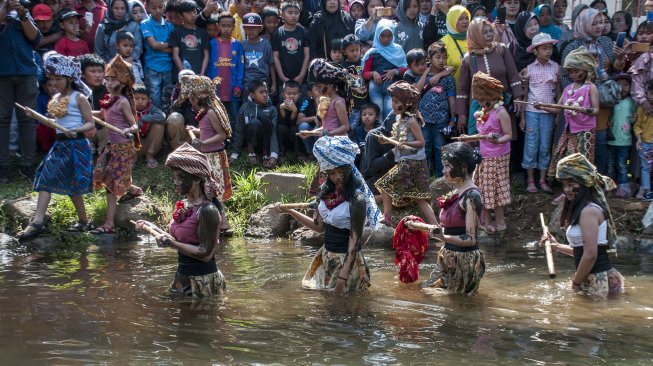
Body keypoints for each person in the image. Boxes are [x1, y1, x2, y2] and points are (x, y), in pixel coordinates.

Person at [274, 136, 381, 294]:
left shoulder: (357, 199)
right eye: (332, 173)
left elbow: (354, 245)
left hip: (347, 262)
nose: (336, 177)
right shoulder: (326, 193)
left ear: (349, 169)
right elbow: (318, 227)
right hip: (327, 256)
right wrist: (290, 211)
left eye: (340, 172)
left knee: (346, 307)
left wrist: (342, 278)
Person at [16, 52, 95, 239]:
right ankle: (38, 222)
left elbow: (90, 123)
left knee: (72, 185)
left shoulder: (79, 98)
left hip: (76, 145)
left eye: (58, 79)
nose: (54, 84)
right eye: (51, 80)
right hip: (60, 146)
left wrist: (76, 129)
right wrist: (35, 116)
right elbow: (52, 123)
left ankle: (82, 221)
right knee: (46, 179)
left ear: (68, 78)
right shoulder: (56, 99)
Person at [135, 143, 226, 298]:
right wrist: (153, 228)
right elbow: (179, 241)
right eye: (174, 177)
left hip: (202, 281)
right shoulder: (184, 205)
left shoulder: (207, 210)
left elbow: (205, 254)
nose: (176, 182)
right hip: (183, 276)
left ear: (197, 179)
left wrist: (171, 243)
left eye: (181, 178)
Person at [542, 153, 625, 296]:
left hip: (600, 280)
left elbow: (591, 255)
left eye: (571, 184)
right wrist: (556, 246)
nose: (566, 189)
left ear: (584, 183)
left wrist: (575, 284)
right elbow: (583, 252)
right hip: (594, 278)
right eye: (564, 185)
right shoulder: (586, 209)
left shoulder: (588, 211)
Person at [420, 141, 485, 295]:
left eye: (448, 166)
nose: (444, 170)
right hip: (448, 256)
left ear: (463, 167)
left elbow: (471, 239)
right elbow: (451, 229)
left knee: (443, 299)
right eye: (444, 166)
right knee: (423, 291)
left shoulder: (472, 196)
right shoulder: (457, 191)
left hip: (464, 261)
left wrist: (443, 236)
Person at [91, 55, 144, 234]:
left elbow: (134, 124)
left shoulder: (122, 102)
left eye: (112, 79)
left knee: (112, 184)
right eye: (107, 79)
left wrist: (129, 130)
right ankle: (133, 189)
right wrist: (82, 110)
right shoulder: (108, 99)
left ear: (121, 82)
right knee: (104, 174)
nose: (108, 82)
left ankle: (109, 224)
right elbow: (100, 114)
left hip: (122, 147)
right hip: (111, 146)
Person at [375, 81, 437, 226]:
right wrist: (388, 141)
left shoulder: (411, 121)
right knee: (419, 198)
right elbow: (400, 140)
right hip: (410, 162)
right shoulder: (401, 119)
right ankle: (436, 227)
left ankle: (387, 217)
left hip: (413, 163)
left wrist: (405, 144)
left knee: (385, 185)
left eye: (397, 101)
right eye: (393, 101)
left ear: (407, 103)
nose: (393, 104)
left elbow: (421, 142)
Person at [181, 75, 233, 231]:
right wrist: (195, 131)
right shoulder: (205, 112)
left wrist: (202, 143)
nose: (191, 101)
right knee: (208, 190)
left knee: (213, 191)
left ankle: (223, 222)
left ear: (200, 97)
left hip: (215, 157)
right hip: (207, 156)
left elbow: (221, 135)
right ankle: (216, 222)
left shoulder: (211, 112)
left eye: (192, 98)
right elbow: (207, 131)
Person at [455, 17, 523, 136]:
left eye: (490, 31)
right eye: (484, 32)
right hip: (480, 109)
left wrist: (518, 97)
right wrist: (461, 114)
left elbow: (513, 75)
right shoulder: (468, 58)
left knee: (503, 138)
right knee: (481, 142)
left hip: (503, 106)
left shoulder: (501, 49)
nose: (489, 35)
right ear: (475, 35)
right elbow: (462, 88)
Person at [543, 47, 599, 188]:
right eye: (570, 72)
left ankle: (581, 191)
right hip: (569, 130)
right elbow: (558, 108)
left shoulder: (590, 88)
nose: (573, 75)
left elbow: (596, 110)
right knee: (565, 158)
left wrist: (582, 109)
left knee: (582, 161)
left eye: (576, 71)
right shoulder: (568, 89)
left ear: (585, 70)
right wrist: (542, 106)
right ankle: (567, 191)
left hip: (585, 131)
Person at [0, 0, 42, 184]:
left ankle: (27, 165)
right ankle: (3, 167)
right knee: (2, 119)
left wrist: (23, 15)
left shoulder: (22, 13)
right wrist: (4, 8)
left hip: (26, 71)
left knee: (27, 119)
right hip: (2, 73)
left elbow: (36, 39)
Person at [466, 72, 512, 234]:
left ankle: (500, 221)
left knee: (496, 189)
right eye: (479, 102)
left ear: (494, 98)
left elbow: (508, 135)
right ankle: (486, 221)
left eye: (485, 102)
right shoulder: (482, 113)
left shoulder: (501, 112)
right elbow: (481, 136)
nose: (482, 105)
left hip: (499, 157)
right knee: (484, 188)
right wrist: (468, 138)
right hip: (484, 156)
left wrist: (497, 140)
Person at [521, 33, 559, 194]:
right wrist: (522, 116)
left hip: (548, 113)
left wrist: (558, 113)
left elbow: (558, 92)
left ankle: (542, 180)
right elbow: (524, 94)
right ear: (535, 51)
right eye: (544, 48)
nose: (548, 51)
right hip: (531, 112)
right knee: (531, 145)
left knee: (545, 146)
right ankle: (530, 180)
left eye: (550, 48)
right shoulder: (529, 70)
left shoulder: (556, 68)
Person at [413, 41, 455, 177]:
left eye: (444, 57)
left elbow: (452, 99)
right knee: (425, 148)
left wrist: (452, 118)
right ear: (429, 59)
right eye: (438, 57)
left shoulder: (448, 79)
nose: (442, 60)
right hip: (424, 119)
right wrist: (426, 72)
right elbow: (417, 91)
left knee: (440, 148)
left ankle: (440, 177)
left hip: (441, 120)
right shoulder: (421, 75)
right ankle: (424, 177)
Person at [361, 19, 407, 121]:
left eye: (389, 36)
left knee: (390, 115)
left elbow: (406, 68)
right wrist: (373, 74)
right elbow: (364, 73)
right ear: (377, 35)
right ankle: (377, 137)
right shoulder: (372, 52)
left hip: (392, 88)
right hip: (375, 87)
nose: (386, 39)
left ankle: (388, 136)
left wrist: (395, 71)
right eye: (383, 36)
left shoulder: (398, 50)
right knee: (377, 115)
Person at [207, 12, 244, 129]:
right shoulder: (212, 44)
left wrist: (239, 85)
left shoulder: (238, 45)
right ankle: (219, 142)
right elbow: (208, 65)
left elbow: (240, 67)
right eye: (223, 26)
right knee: (216, 117)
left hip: (233, 89)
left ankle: (234, 144)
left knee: (233, 118)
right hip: (215, 89)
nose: (226, 29)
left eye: (229, 26)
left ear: (233, 27)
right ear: (218, 26)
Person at [230, 80, 279, 167]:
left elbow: (274, 132)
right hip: (250, 141)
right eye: (261, 92)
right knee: (253, 123)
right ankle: (251, 152)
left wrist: (274, 155)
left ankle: (265, 154)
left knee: (264, 117)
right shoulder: (244, 108)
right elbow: (239, 131)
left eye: (266, 92)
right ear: (252, 95)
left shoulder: (272, 109)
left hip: (265, 142)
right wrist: (234, 154)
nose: (265, 95)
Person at [140, 0, 174, 109]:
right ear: (148, 8)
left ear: (164, 6)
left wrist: (159, 46)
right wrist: (167, 45)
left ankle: (168, 123)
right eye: (154, 8)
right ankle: (156, 123)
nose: (158, 10)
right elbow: (153, 45)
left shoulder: (169, 26)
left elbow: (173, 49)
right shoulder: (146, 23)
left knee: (168, 98)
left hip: (168, 67)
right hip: (152, 67)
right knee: (154, 98)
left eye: (160, 7)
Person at [607, 74, 635, 198]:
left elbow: (635, 120)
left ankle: (623, 187)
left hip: (625, 141)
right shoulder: (611, 101)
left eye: (626, 85)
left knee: (622, 164)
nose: (623, 88)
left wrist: (634, 119)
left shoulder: (632, 102)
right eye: (619, 84)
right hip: (611, 140)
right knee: (610, 164)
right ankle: (610, 186)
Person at [271, 2, 309, 92]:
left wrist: (301, 75)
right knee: (285, 103)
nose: (293, 16)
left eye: (296, 13)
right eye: (290, 13)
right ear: (282, 14)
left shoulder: (304, 32)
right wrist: (282, 77)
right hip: (284, 79)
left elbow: (307, 55)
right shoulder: (277, 34)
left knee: (304, 104)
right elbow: (275, 57)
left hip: (301, 79)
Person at [170, 0, 209, 75]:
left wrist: (202, 73)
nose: (193, 15)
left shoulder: (203, 32)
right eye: (188, 13)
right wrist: (182, 72)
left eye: (194, 12)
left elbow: (206, 55)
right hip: (181, 74)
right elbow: (175, 55)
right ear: (180, 15)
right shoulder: (176, 32)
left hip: (199, 74)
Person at [241, 12, 276, 97]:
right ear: (244, 29)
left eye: (254, 28)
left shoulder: (266, 44)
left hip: (263, 82)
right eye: (248, 28)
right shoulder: (242, 45)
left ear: (260, 28)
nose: (251, 31)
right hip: (247, 83)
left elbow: (271, 65)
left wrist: (274, 84)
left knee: (264, 105)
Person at [133, 84, 166, 168]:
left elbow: (162, 117)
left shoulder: (151, 108)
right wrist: (137, 123)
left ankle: (149, 155)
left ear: (148, 100)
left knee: (158, 125)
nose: (140, 101)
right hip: (134, 145)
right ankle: (133, 156)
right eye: (136, 98)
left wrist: (143, 118)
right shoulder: (127, 108)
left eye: (143, 99)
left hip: (149, 144)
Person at [439, 5, 468, 86]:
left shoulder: (474, 38)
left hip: (473, 90)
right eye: (460, 19)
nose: (465, 21)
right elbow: (439, 68)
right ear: (452, 20)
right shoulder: (443, 42)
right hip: (452, 91)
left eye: (466, 18)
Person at [634, 81, 653, 200]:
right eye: (652, 93)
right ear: (647, 94)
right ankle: (647, 191)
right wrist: (639, 139)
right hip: (645, 143)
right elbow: (637, 125)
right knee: (645, 168)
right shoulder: (642, 109)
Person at [276, 80, 302, 158]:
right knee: (280, 127)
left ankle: (298, 151)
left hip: (294, 135)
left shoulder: (301, 105)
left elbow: (295, 123)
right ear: (283, 95)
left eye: (294, 94)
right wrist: (282, 109)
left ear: (299, 95)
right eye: (288, 94)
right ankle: (281, 151)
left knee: (296, 128)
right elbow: (282, 122)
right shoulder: (280, 105)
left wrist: (294, 111)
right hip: (284, 135)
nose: (291, 96)